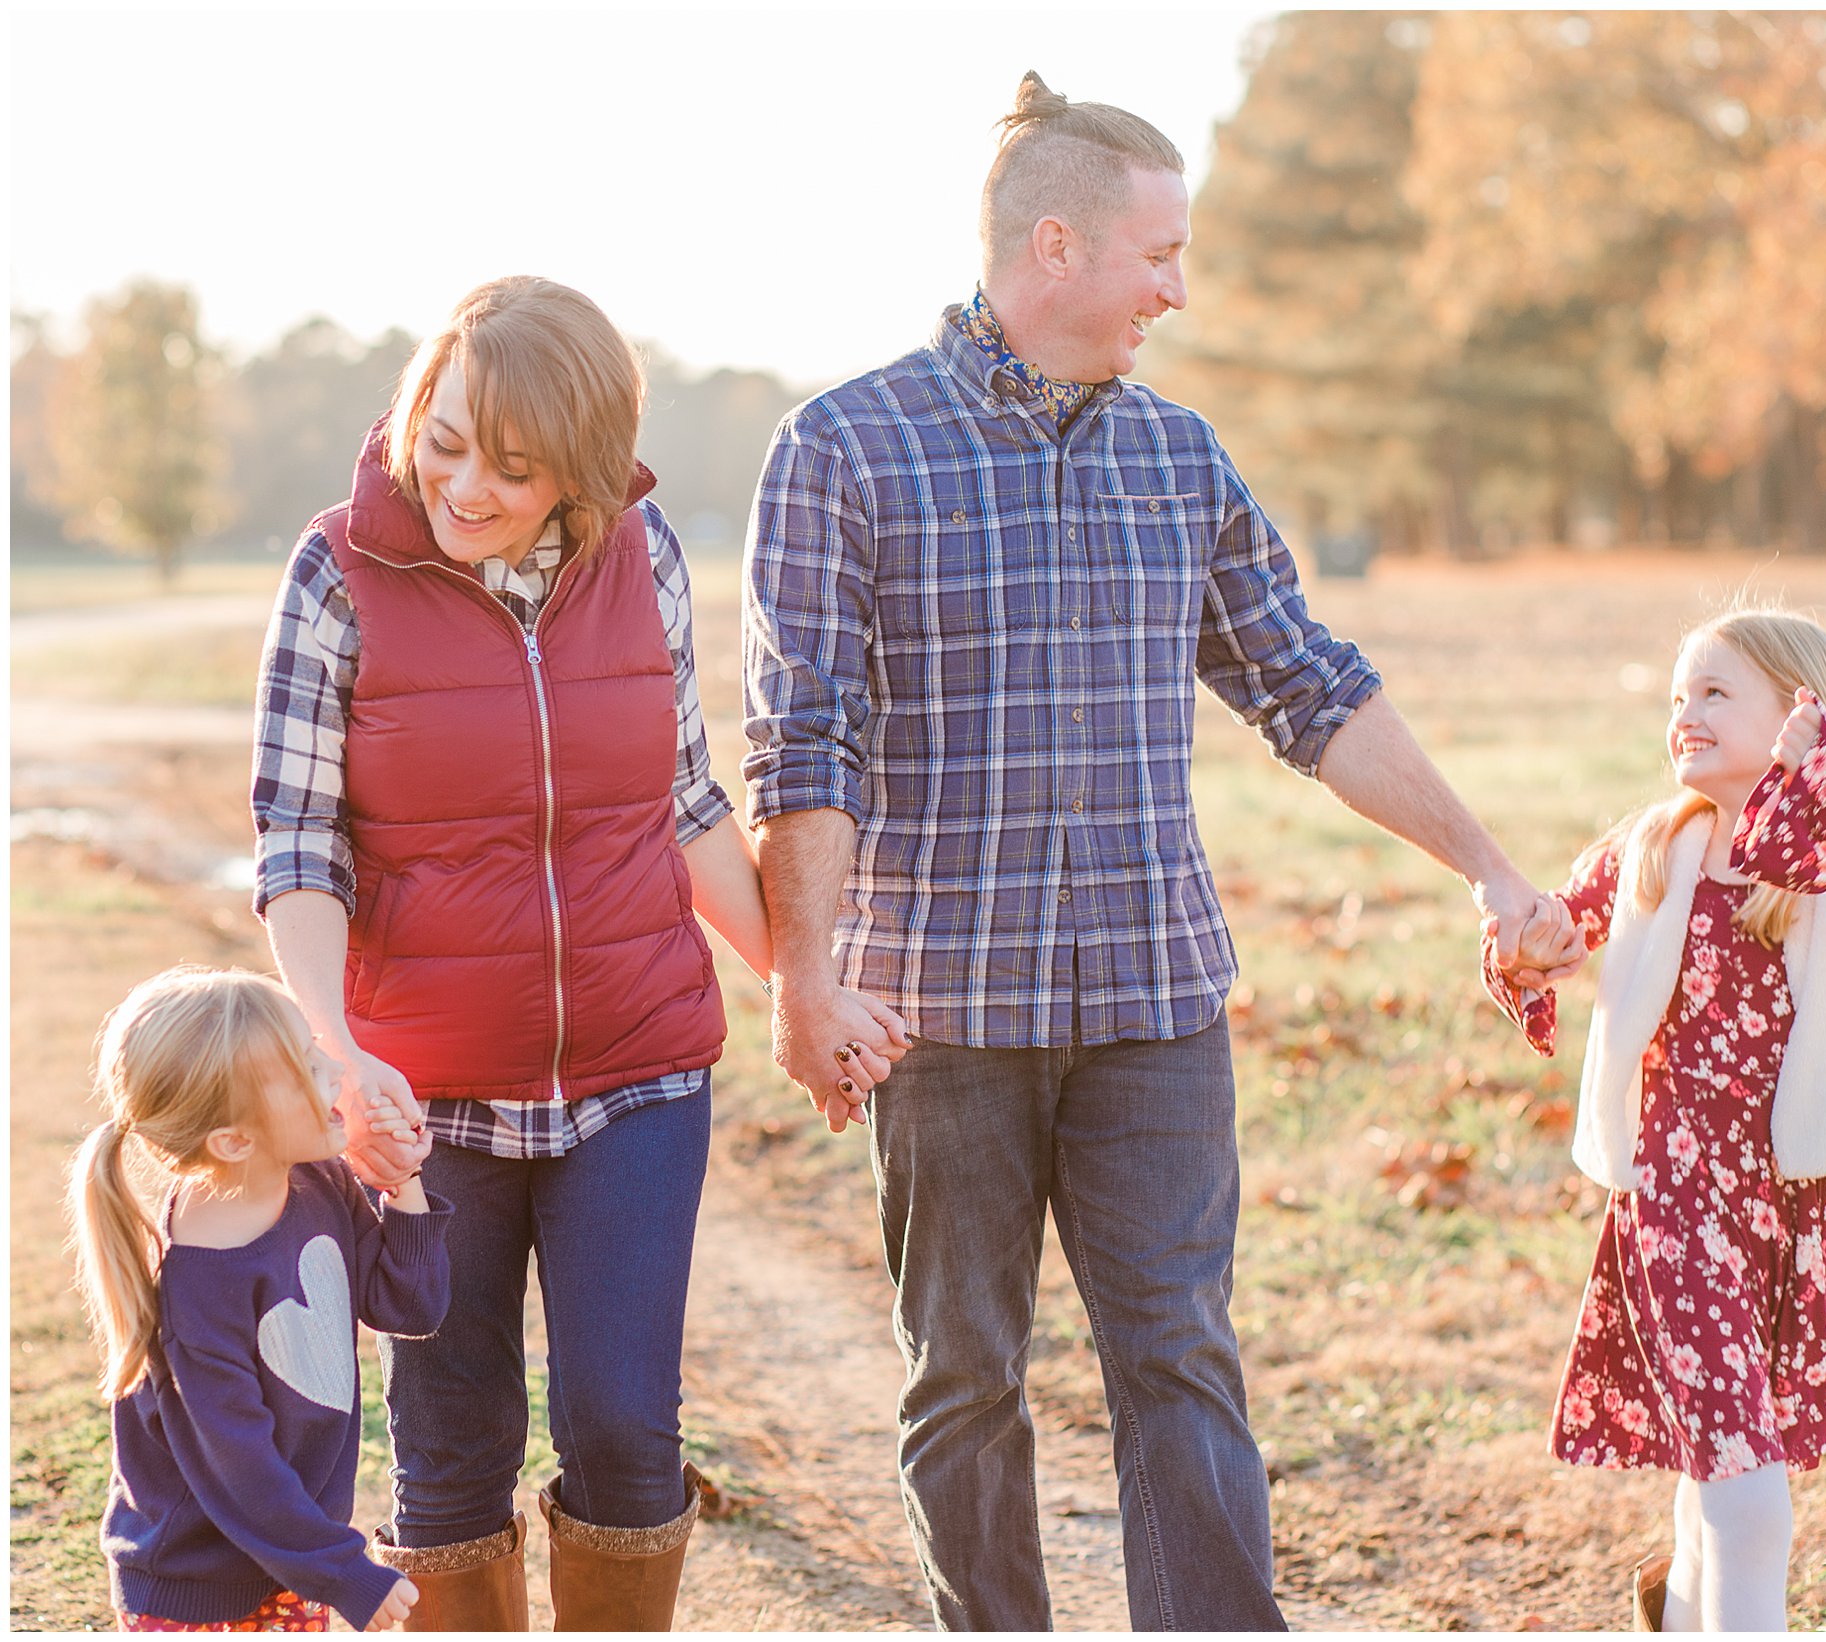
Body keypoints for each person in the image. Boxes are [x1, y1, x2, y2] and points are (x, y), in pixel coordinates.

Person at [742, 73, 1570, 1630]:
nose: (1179, 293)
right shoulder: (842, 450)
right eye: (1161, 254)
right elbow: (806, 744)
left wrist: (1488, 864)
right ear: (1055, 246)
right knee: (964, 1379)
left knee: (1181, 1357)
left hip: (1154, 1001)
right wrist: (804, 975)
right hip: (944, 1012)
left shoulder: (1179, 461)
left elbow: (1308, 684)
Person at [251, 276, 906, 1632]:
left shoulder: (644, 554)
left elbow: (684, 803)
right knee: (450, 1445)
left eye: (515, 464)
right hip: (426, 1102)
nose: (466, 485)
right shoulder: (338, 573)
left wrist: (802, 982)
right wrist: (337, 1045)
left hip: (638, 1076)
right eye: (447, 436)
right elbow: (298, 840)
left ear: (583, 473)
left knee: (622, 1423)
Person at [1485, 609, 1826, 1631]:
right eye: (1676, 696)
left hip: (1798, 1209)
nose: (1683, 713)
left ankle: (1682, 1613)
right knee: (1745, 1487)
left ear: (1802, 713)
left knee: (1725, 1452)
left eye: (1714, 693)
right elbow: (1559, 926)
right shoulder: (1659, 842)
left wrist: (1813, 784)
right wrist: (1529, 945)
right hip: (1677, 1202)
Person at [69, 965, 450, 1633]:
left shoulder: (317, 1181)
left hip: (292, 1554)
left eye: (315, 1047)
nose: (334, 1071)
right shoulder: (194, 1297)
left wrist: (404, 1184)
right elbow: (237, 1467)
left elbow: (409, 1308)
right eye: (305, 1066)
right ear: (235, 1139)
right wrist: (343, 1570)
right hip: (197, 1585)